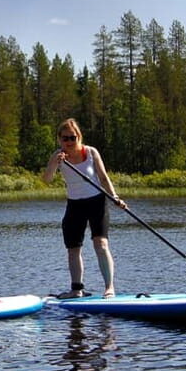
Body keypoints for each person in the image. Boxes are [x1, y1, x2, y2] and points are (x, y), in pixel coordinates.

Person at [42, 118, 127, 299]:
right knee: (73, 248)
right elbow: (47, 180)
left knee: (101, 244)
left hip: (97, 201)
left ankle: (109, 287)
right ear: (59, 140)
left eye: (72, 138)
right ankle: (76, 289)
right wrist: (54, 164)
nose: (69, 142)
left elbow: (103, 178)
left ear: (79, 137)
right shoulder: (58, 156)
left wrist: (115, 197)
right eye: (65, 139)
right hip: (75, 205)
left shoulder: (91, 152)